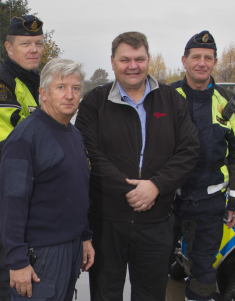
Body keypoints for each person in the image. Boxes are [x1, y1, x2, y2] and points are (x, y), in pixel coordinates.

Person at [75, 31, 199, 301]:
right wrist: (129, 189)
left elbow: (189, 150)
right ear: (112, 62)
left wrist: (156, 186)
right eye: (125, 59)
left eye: (139, 59)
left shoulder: (172, 100)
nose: (133, 66)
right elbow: (89, 153)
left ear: (149, 60)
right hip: (107, 221)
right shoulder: (94, 102)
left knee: (151, 295)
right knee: (105, 295)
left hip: (157, 221)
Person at [0, 58, 95, 301]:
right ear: (43, 93)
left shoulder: (74, 134)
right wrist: (18, 261)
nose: (70, 95)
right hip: (41, 256)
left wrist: (84, 236)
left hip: (70, 248)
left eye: (75, 88)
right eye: (61, 87)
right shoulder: (25, 138)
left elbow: (76, 189)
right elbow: (11, 203)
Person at [170, 30, 235, 301]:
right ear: (184, 60)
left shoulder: (228, 101)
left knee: (204, 269)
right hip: (168, 199)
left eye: (208, 57)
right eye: (196, 57)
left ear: (215, 62)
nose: (201, 63)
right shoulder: (167, 96)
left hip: (210, 202)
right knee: (154, 262)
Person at [0, 15, 44, 301]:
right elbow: (10, 148)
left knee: (34, 264)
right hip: (10, 184)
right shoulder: (0, 83)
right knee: (12, 268)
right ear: (8, 47)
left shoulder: (33, 81)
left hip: (36, 185)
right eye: (25, 43)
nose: (34, 49)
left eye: (38, 43)